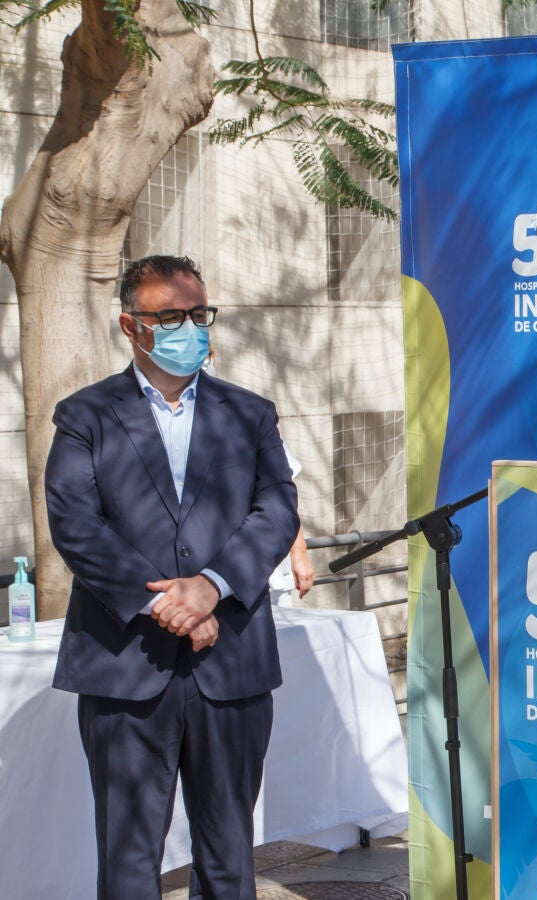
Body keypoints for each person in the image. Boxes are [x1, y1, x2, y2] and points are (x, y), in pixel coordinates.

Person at [45, 254, 300, 899]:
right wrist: (164, 604)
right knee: (129, 859)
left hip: (231, 662)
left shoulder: (250, 413)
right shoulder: (84, 415)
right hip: (126, 666)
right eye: (170, 317)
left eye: (199, 314)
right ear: (131, 326)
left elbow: (277, 511)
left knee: (229, 854)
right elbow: (75, 524)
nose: (190, 328)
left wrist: (211, 586)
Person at [201, 349, 314, 605]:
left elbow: (282, 495)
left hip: (265, 564)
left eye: (206, 353)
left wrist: (299, 552)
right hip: (206, 571)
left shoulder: (248, 415)